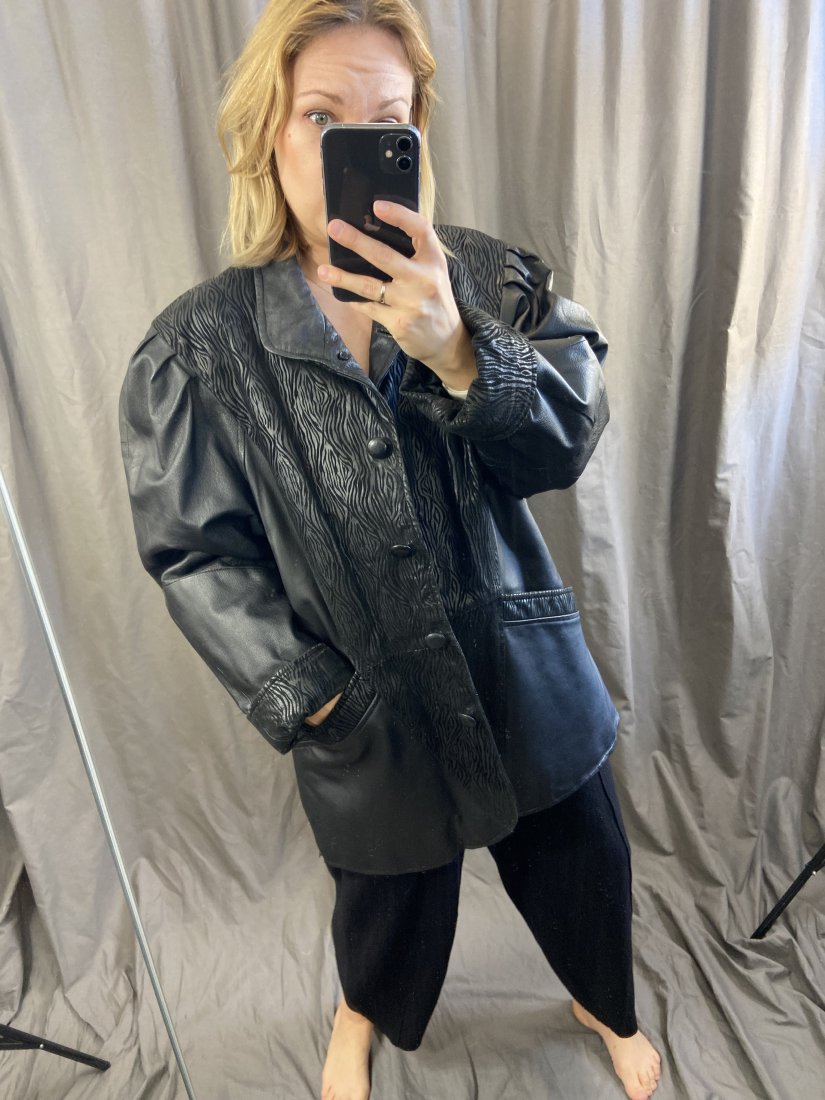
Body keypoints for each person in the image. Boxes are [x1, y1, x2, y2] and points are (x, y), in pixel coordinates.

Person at [118, 2, 663, 1098]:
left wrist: (460, 349)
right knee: (385, 899)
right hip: (366, 703)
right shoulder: (199, 346)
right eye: (322, 117)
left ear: (414, 134)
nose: (352, 144)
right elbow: (195, 551)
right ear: (269, 131)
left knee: (583, 859)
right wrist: (310, 691)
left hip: (522, 669)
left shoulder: (486, 278)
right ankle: (360, 1011)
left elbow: (571, 434)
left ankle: (606, 999)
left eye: (388, 119)